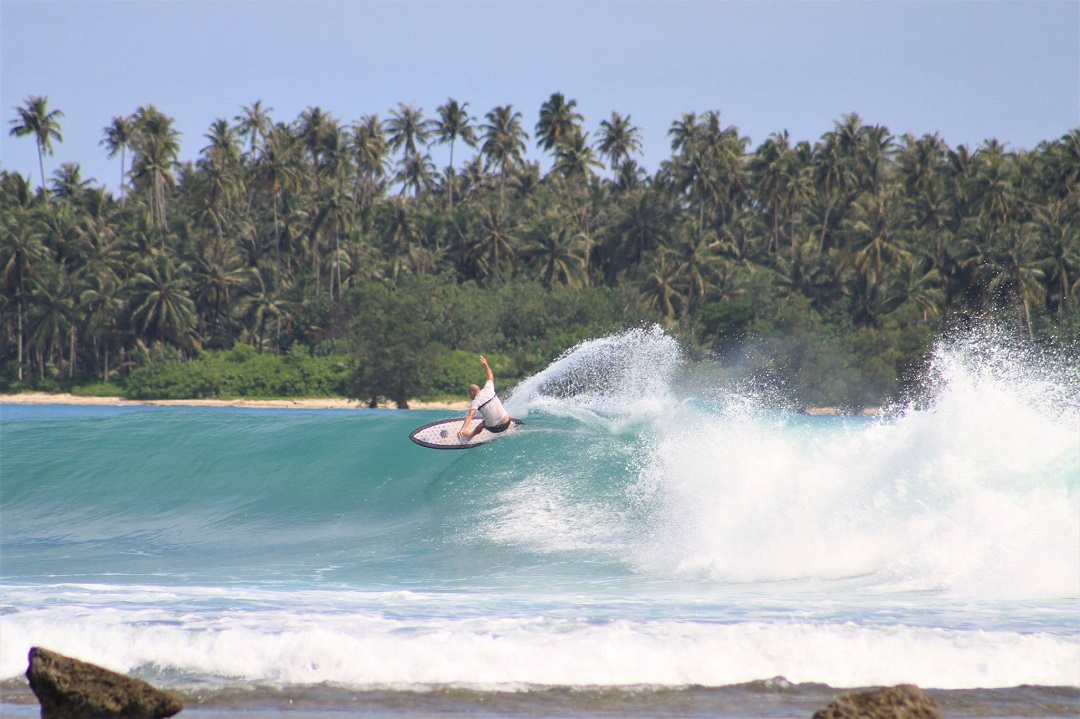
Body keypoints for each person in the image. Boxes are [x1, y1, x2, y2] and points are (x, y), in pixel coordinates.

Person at [458, 355, 511, 440]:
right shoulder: (489, 388)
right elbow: (490, 375)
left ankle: (470, 436)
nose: (469, 396)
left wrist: (463, 428)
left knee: (483, 423)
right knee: (503, 414)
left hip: (495, 429)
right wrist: (486, 364)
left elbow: (470, 415)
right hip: (507, 423)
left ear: (472, 393)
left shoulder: (476, 401)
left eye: (469, 394)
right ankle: (510, 428)